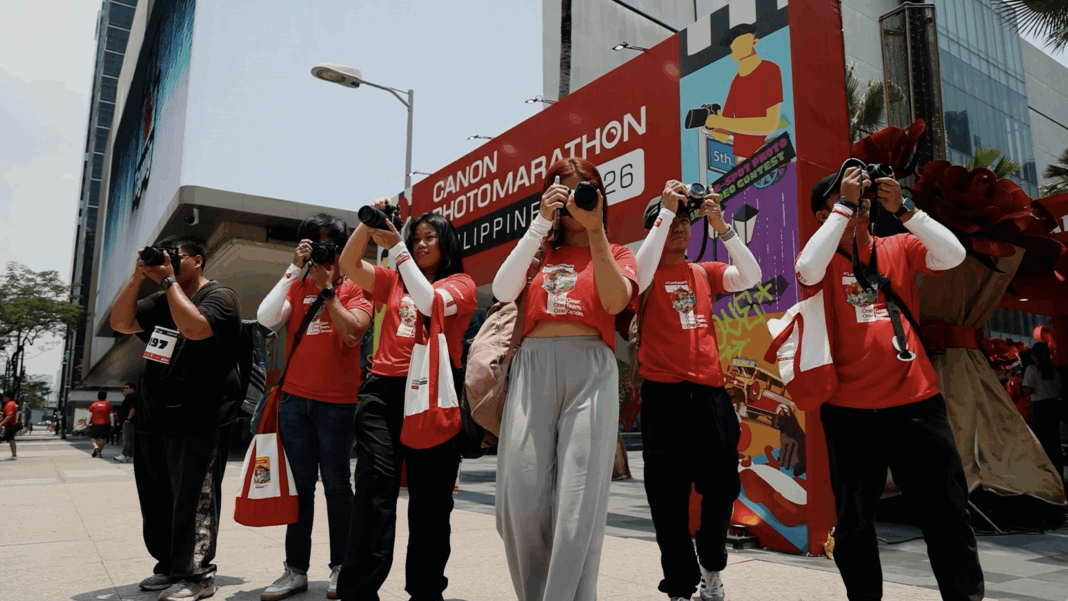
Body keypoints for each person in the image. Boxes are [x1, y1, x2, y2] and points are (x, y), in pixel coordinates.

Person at [796, 166, 983, 600]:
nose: (859, 200)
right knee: (855, 522)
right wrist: (845, 206)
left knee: (948, 514)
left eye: (861, 194)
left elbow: (953, 255)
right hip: (849, 411)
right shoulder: (821, 257)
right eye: (843, 196)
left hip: (916, 402)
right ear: (824, 213)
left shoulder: (896, 246)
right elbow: (806, 270)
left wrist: (906, 210)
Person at [491, 158, 638, 601]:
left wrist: (595, 231)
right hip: (533, 365)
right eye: (566, 191)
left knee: (578, 505)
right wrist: (540, 221)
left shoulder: (617, 252)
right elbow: (501, 290)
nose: (576, 200)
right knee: (520, 499)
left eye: (584, 190)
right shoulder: (539, 250)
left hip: (591, 367)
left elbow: (614, 302)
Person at [337, 205, 476, 601]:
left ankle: (426, 592)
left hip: (433, 395)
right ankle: (358, 592)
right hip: (383, 393)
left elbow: (429, 302)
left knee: (431, 502)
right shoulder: (392, 279)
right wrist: (369, 226)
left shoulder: (461, 284)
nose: (420, 244)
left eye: (430, 237)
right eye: (415, 238)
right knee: (374, 492)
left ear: (447, 243)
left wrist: (397, 248)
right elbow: (348, 264)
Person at [632, 181, 762, 601]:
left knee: (722, 488)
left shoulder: (704, 273)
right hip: (663, 397)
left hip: (710, 397)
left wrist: (721, 225)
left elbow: (752, 276)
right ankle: (679, 585)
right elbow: (637, 275)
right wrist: (665, 212)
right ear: (656, 225)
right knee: (667, 500)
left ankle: (711, 564)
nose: (680, 228)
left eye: (685, 221)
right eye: (671, 221)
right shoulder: (643, 273)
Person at [110, 235, 241, 601]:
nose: (167, 260)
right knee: (157, 500)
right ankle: (169, 566)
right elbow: (121, 322)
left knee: (193, 499)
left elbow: (195, 328)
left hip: (199, 417)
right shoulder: (160, 300)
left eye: (175, 256)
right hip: (154, 416)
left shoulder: (220, 296)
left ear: (197, 260)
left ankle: (196, 574)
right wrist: (138, 276)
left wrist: (168, 281)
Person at [256, 214, 373, 600]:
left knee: (338, 486)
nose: (324, 254)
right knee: (300, 488)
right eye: (315, 246)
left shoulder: (355, 285)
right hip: (294, 401)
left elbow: (353, 332)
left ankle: (342, 567)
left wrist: (327, 291)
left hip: (337, 404)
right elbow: (265, 319)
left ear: (341, 249)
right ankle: (295, 570)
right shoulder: (297, 284)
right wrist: (293, 269)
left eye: (330, 246)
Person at [703, 23, 783, 164]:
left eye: (740, 42)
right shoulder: (736, 81)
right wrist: (709, 124)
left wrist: (721, 122)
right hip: (741, 162)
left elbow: (770, 124)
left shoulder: (770, 70)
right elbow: (723, 135)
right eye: (733, 44)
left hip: (767, 156)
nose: (734, 46)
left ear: (754, 42)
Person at [1023, 342, 1064, 483]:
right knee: (1054, 440)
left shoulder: (1031, 369)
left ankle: (1045, 476)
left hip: (1039, 407)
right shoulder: (1053, 370)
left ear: (1035, 354)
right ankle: (1058, 474)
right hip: (1054, 406)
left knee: (1040, 441)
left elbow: (1029, 389)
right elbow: (1059, 389)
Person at [114, 383, 138, 463]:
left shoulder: (133, 396)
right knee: (130, 438)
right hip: (128, 421)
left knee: (126, 438)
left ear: (132, 388)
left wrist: (128, 419)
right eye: (124, 388)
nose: (124, 389)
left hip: (129, 421)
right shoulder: (129, 397)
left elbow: (133, 408)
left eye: (126, 388)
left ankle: (124, 455)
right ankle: (130, 455)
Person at [87, 391, 115, 458]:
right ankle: (99, 453)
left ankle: (95, 446)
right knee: (102, 438)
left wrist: (87, 423)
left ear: (98, 396)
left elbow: (89, 415)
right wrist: (112, 424)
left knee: (92, 438)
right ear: (105, 397)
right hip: (105, 424)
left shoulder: (94, 404)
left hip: (95, 424)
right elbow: (111, 415)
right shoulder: (108, 404)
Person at [1, 391, 18, 460]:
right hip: (8, 425)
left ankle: (14, 455)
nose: (3, 398)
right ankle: (14, 455)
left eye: (4, 397)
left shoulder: (10, 404)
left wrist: (1, 424)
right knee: (11, 439)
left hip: (7, 426)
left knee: (11, 439)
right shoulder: (12, 403)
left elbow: (9, 416)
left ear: (8, 397)